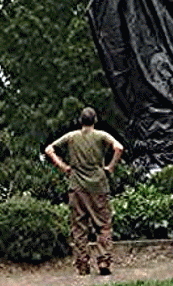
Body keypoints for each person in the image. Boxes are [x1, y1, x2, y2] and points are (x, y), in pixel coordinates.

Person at [45, 107, 124, 275]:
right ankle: (103, 261)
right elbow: (119, 148)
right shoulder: (101, 135)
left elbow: (49, 149)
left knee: (79, 227)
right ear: (94, 120)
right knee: (103, 226)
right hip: (99, 186)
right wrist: (110, 167)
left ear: (80, 121)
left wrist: (64, 167)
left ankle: (82, 265)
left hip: (76, 187)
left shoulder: (71, 137)